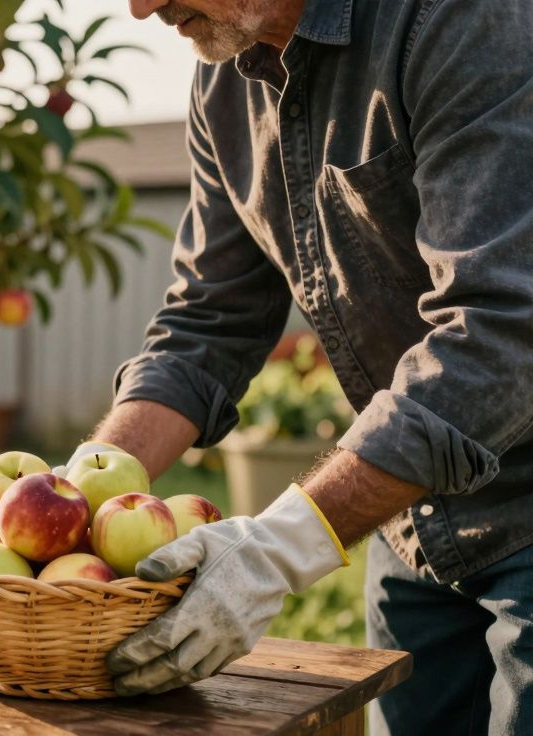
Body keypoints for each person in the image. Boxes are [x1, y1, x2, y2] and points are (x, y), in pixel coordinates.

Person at [57, 1, 533, 733]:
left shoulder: (463, 20)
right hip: (414, 523)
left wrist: (279, 548)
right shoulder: (224, 86)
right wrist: (77, 493)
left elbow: (502, 331)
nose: (140, 6)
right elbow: (207, 322)